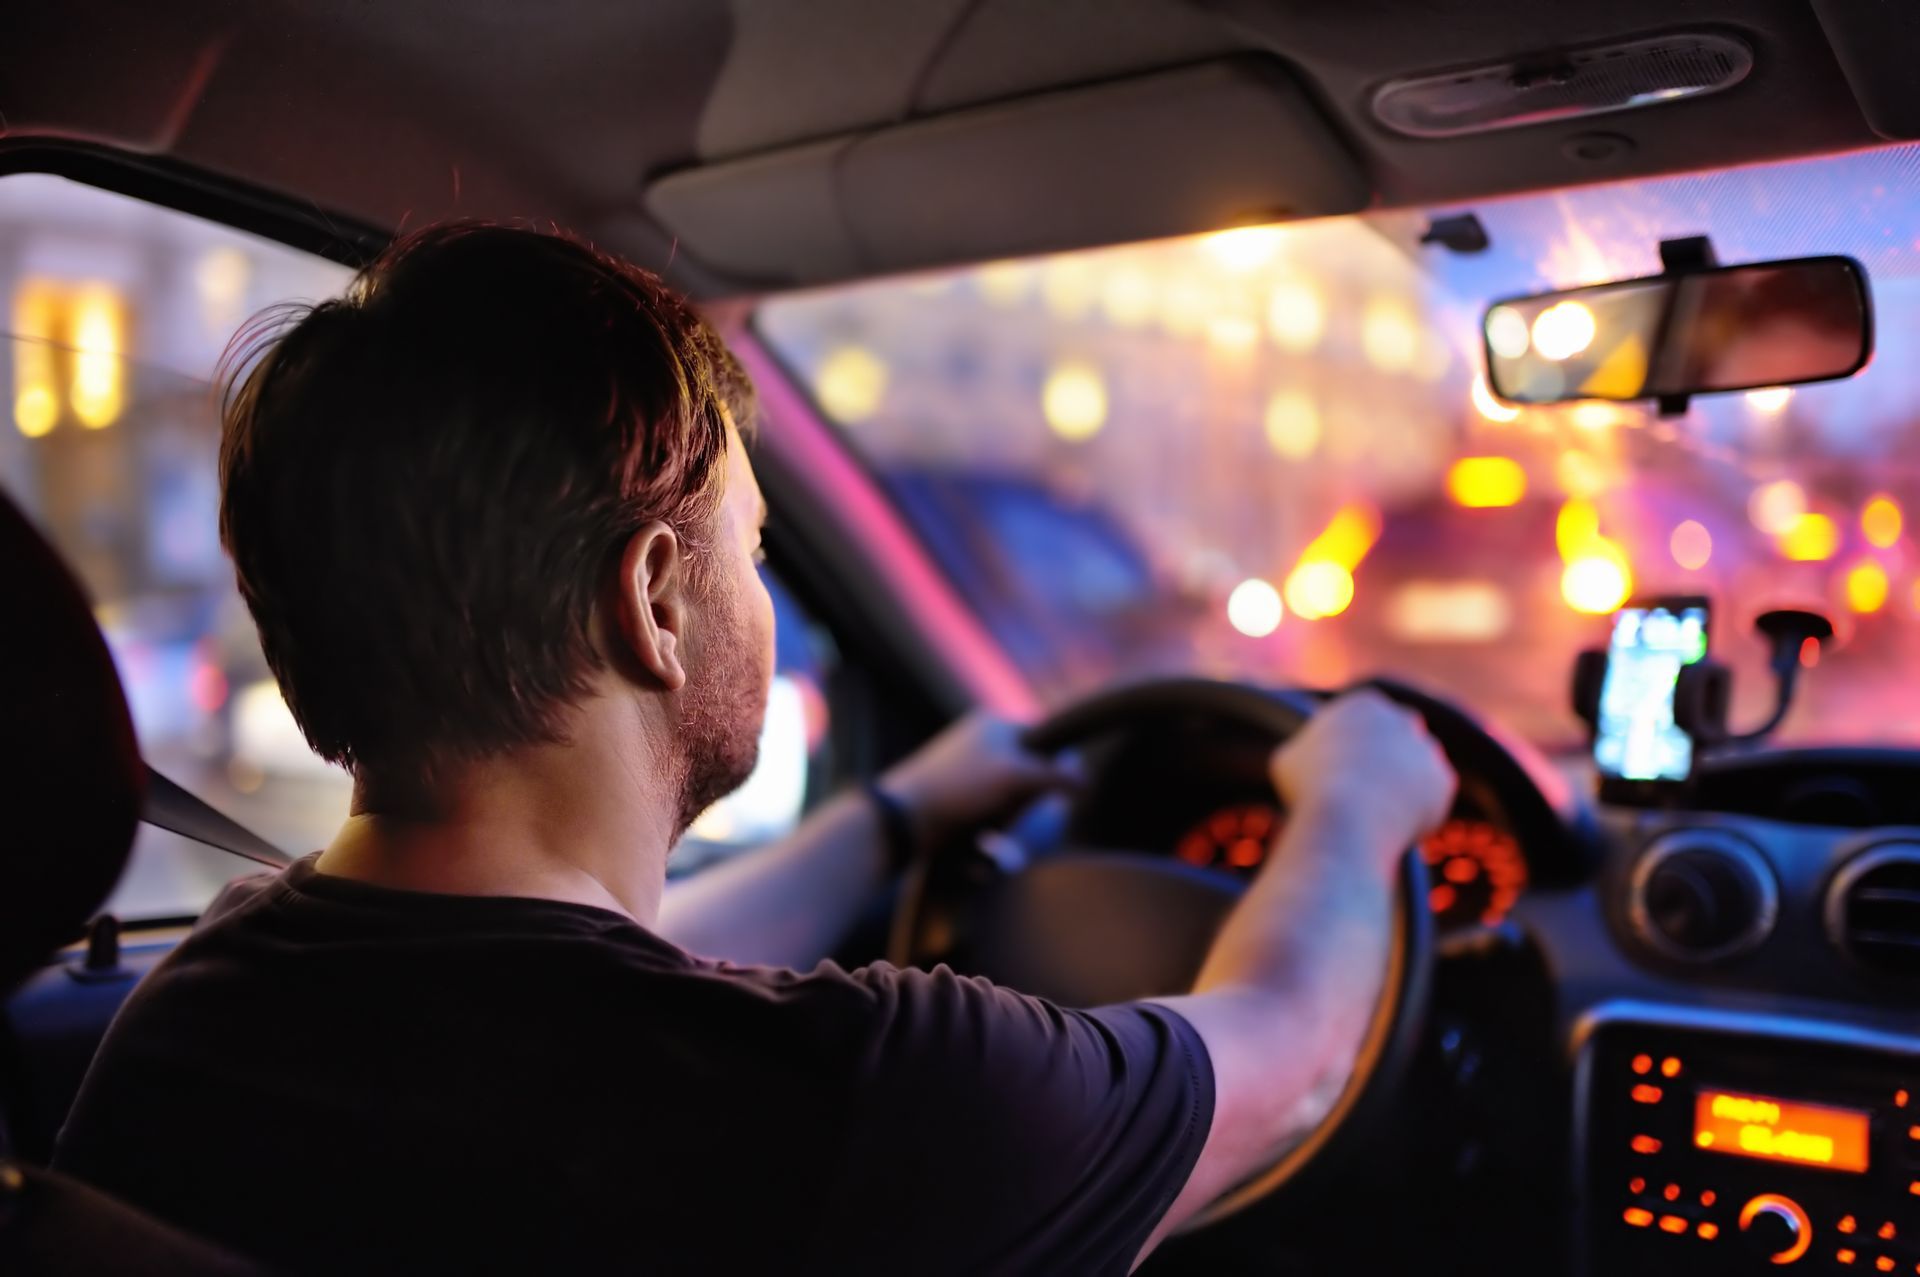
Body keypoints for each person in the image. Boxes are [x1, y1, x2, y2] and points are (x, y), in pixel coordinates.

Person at [55, 224, 1455, 1275]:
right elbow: (1293, 1056)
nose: (764, 602)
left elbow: (583, 982)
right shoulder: (864, 1107)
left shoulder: (186, 1026)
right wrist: (1356, 799)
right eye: (755, 549)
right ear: (657, 599)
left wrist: (896, 815)